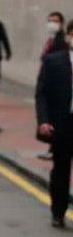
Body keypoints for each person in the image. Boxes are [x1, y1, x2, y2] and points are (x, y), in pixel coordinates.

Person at [35, 20, 73, 229]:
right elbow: (42, 93)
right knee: (61, 169)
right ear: (68, 36)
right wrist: (44, 120)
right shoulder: (53, 61)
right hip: (62, 123)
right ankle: (58, 211)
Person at [38, 11, 68, 161]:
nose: (52, 24)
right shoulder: (51, 40)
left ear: (61, 23)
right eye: (50, 20)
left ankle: (54, 148)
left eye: (55, 21)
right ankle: (53, 148)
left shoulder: (61, 42)